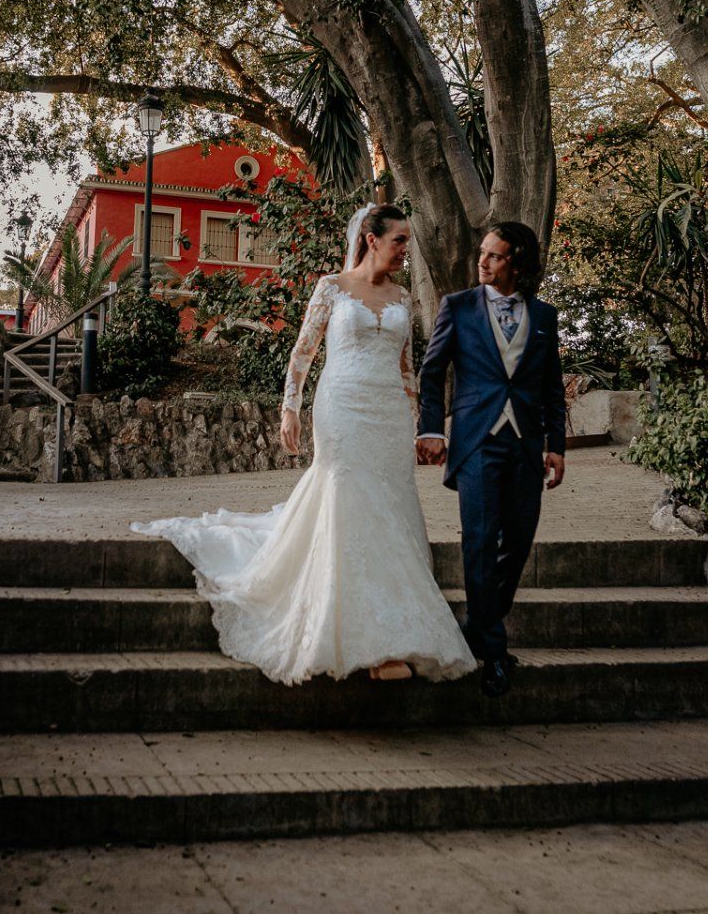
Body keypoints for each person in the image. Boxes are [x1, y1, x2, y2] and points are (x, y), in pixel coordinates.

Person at [132, 204, 476, 685]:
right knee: (347, 497)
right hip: (342, 408)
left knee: (391, 506)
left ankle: (395, 627)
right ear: (372, 239)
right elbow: (303, 353)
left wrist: (420, 423)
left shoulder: (401, 297)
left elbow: (405, 368)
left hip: (389, 416)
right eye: (399, 240)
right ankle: (373, 642)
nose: (405, 250)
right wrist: (289, 408)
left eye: (407, 241)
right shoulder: (330, 288)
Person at [415, 222, 567, 698]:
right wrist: (432, 428)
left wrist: (556, 444)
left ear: (516, 264)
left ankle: (477, 625)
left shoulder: (543, 315)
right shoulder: (457, 307)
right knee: (479, 542)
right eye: (483, 253)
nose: (482, 261)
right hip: (477, 440)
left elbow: (550, 387)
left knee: (518, 543)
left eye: (494, 256)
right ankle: (494, 651)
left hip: (524, 443)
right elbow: (432, 370)